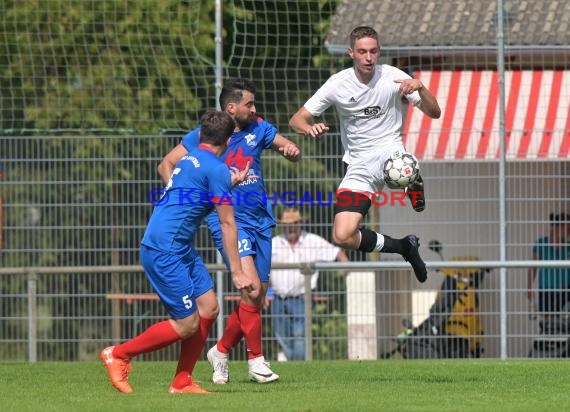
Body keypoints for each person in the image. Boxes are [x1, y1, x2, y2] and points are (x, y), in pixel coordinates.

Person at [158, 78, 301, 384]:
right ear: (231, 107)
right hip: (230, 221)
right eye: (249, 103)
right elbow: (166, 164)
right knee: (249, 288)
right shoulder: (205, 137)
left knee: (256, 298)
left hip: (261, 218)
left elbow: (283, 144)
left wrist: (290, 148)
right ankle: (256, 362)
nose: (254, 108)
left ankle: (220, 351)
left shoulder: (258, 127)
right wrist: (183, 199)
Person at [100, 111, 253, 394]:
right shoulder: (216, 168)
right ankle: (119, 354)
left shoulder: (190, 158)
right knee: (186, 325)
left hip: (177, 246)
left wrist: (229, 182)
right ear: (229, 139)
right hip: (164, 250)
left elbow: (193, 190)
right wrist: (238, 271)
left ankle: (182, 381)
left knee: (209, 307)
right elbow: (228, 222)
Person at [288, 26, 441, 283]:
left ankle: (411, 181)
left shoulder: (393, 77)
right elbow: (296, 120)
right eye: (362, 52)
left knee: (401, 165)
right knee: (342, 235)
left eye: (373, 51)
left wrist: (421, 88)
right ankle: (404, 246)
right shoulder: (337, 84)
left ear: (378, 52)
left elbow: (435, 112)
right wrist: (309, 128)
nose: (368, 57)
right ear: (351, 53)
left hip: (390, 152)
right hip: (358, 164)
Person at [268, 207, 348, 361]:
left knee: (300, 335)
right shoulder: (274, 243)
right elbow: (262, 268)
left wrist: (346, 265)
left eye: (294, 223)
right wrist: (264, 293)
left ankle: (296, 367)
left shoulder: (312, 240)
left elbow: (335, 251)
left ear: (300, 224)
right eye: (288, 224)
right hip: (278, 298)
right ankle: (293, 363)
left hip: (302, 297)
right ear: (283, 225)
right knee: (281, 335)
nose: (291, 227)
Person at [527, 212, 570, 330]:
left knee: (564, 324)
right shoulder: (541, 244)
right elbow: (532, 267)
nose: (569, 233)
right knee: (549, 326)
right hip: (547, 290)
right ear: (558, 227)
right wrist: (530, 287)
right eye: (567, 229)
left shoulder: (569, 246)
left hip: (566, 290)